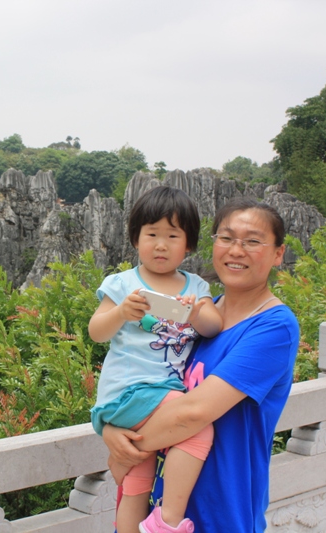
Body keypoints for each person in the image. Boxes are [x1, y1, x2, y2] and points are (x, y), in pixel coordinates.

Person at [102, 197, 300, 532]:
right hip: (155, 504)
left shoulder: (273, 327)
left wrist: (127, 448)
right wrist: (111, 428)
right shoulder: (198, 314)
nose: (236, 250)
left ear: (278, 254)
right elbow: (148, 377)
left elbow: (193, 412)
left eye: (252, 241)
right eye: (226, 238)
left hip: (218, 512)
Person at [89, 186, 223, 533]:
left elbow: (212, 327)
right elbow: (96, 332)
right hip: (131, 392)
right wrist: (120, 312)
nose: (160, 244)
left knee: (137, 480)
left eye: (172, 235)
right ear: (136, 239)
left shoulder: (195, 287)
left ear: (189, 244)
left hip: (155, 398)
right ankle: (167, 524)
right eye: (151, 234)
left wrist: (195, 312)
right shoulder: (122, 284)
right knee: (196, 430)